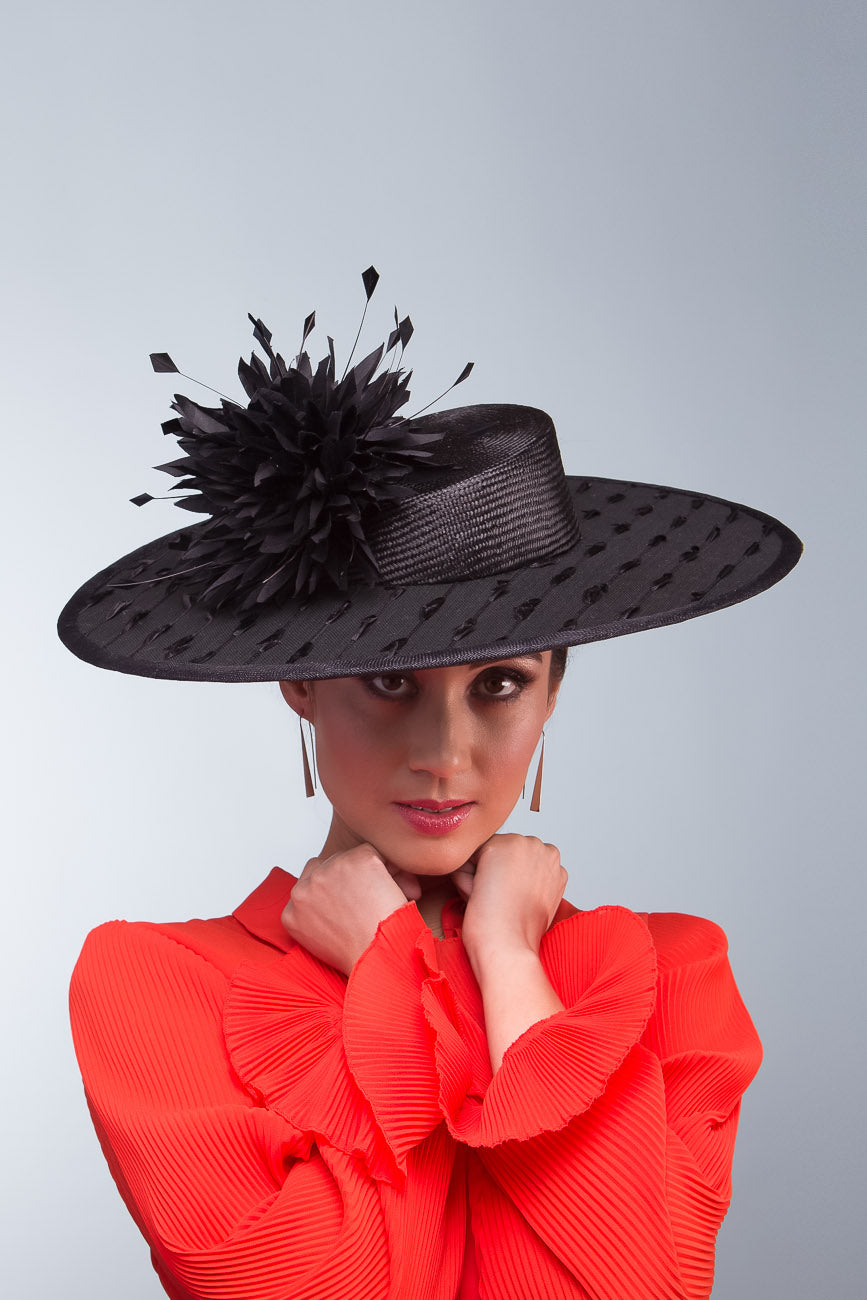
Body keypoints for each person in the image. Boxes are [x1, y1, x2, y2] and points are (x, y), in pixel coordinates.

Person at [58, 273, 802, 1300]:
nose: (444, 749)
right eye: (390, 680)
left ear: (553, 696)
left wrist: (505, 956)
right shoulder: (155, 985)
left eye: (500, 684)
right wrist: (389, 965)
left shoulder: (674, 973)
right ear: (302, 685)